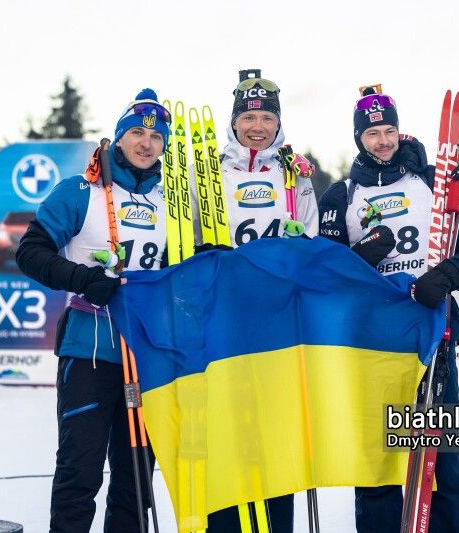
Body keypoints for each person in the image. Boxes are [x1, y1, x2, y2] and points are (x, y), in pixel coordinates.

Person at [318, 89, 459, 533]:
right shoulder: (342, 196)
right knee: (378, 469)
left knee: (442, 466)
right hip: (372, 345)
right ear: (359, 138)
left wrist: (449, 274)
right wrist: (360, 260)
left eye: (388, 130)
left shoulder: (433, 182)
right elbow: (326, 276)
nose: (382, 141)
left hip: (433, 338)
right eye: (372, 133)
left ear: (399, 130)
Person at [16, 88, 171, 533]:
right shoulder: (81, 191)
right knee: (78, 477)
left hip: (147, 357)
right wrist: (84, 278)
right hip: (89, 350)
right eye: (137, 132)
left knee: (135, 482)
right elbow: (31, 251)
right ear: (119, 137)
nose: (146, 143)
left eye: (156, 137)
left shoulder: (174, 203)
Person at [201, 69, 318, 533]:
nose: (256, 126)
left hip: (278, 323)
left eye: (266, 118)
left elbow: (311, 238)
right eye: (248, 116)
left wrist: (297, 257)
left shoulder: (296, 174)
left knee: (276, 440)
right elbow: (184, 236)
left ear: (277, 124)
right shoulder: (211, 172)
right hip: (224, 320)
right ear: (234, 121)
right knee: (227, 436)